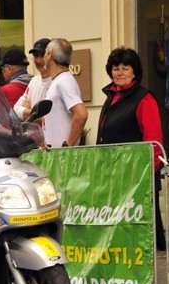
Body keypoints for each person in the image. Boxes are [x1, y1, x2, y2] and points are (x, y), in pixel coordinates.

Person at [96, 46, 166, 251]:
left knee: (144, 235)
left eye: (125, 68)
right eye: (116, 68)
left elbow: (154, 143)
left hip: (137, 179)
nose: (120, 72)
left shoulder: (144, 98)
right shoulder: (111, 96)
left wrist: (145, 177)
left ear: (135, 72)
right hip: (113, 178)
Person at [42, 38, 88, 148]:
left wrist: (67, 146)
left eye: (44, 53)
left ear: (49, 55)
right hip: (55, 154)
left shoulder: (64, 81)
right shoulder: (60, 80)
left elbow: (81, 115)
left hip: (62, 156)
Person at [14, 38, 51, 121]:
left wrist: (29, 113)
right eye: (36, 56)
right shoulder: (34, 80)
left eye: (42, 55)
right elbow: (16, 109)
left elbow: (50, 118)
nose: (39, 61)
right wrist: (33, 113)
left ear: (50, 57)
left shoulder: (57, 82)